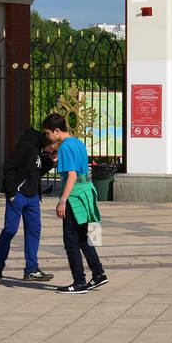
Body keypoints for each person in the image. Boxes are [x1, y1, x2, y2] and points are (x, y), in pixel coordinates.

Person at [43, 112, 107, 294]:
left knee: (70, 241)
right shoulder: (77, 143)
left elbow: (71, 176)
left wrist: (62, 201)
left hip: (74, 197)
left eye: (48, 133)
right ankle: (99, 273)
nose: (47, 137)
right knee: (82, 237)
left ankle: (79, 282)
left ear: (56, 131)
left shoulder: (64, 148)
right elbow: (79, 169)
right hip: (86, 192)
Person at [0, 129, 57, 284]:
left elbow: (36, 172)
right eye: (53, 147)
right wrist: (12, 192)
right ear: (48, 139)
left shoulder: (40, 149)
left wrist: (51, 161)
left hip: (33, 197)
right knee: (10, 230)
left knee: (34, 231)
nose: (53, 149)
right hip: (18, 195)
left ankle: (31, 269)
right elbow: (9, 167)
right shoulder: (26, 144)